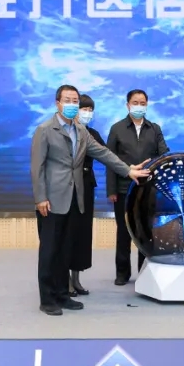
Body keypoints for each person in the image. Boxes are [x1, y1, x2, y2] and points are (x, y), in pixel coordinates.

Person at [31, 85, 150, 316]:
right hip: (52, 200)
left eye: (75, 100)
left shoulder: (81, 130)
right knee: (50, 250)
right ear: (57, 103)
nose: (72, 104)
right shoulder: (45, 130)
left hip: (75, 198)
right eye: (68, 100)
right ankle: (47, 299)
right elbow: (37, 168)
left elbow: (103, 153)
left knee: (66, 249)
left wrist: (128, 170)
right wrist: (40, 198)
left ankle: (62, 295)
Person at [106, 89, 169, 285]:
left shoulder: (155, 129)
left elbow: (164, 154)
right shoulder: (117, 128)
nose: (139, 106)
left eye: (142, 103)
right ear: (128, 105)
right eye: (135, 103)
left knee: (146, 232)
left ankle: (145, 270)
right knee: (123, 232)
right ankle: (122, 273)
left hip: (148, 189)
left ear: (147, 105)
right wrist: (111, 190)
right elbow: (110, 160)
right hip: (124, 188)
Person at [68, 94, 103, 297]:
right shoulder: (65, 132)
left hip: (87, 186)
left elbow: (107, 155)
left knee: (82, 233)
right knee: (68, 233)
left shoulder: (93, 134)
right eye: (84, 109)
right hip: (68, 187)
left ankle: (76, 278)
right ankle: (65, 280)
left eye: (90, 110)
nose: (87, 113)